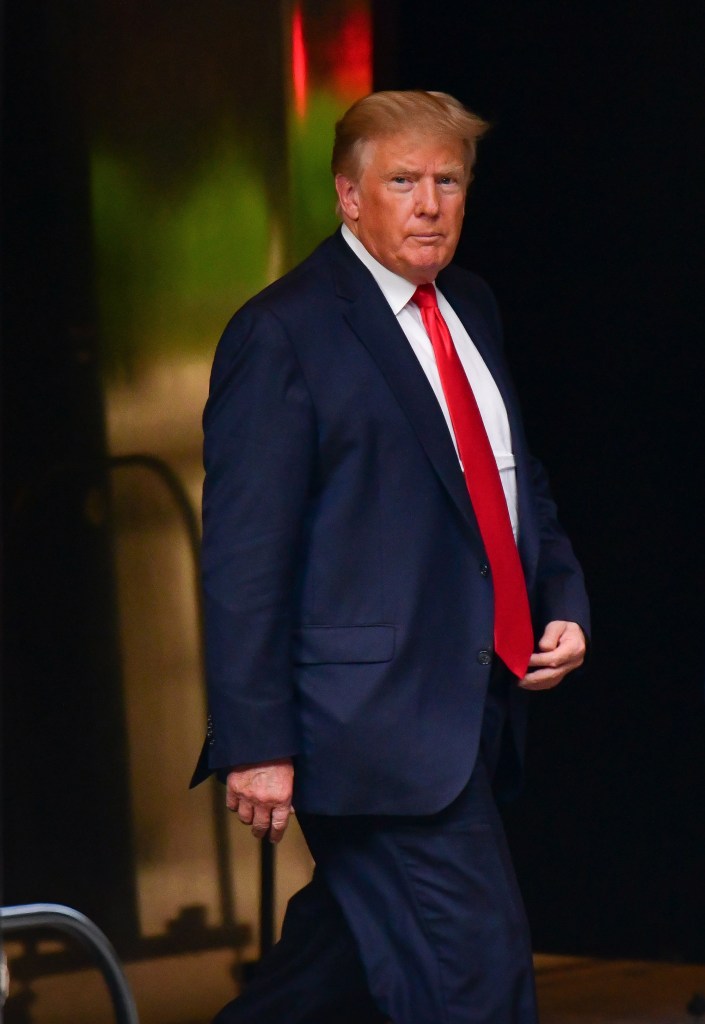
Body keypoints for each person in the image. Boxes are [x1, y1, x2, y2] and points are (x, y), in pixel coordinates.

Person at [192, 90, 590, 1024]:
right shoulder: (281, 332)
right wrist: (255, 742)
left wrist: (559, 594)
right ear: (347, 196)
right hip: (367, 731)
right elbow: (245, 556)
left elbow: (508, 473)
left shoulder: (471, 306)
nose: (428, 204)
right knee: (478, 985)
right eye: (402, 180)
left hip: (467, 709)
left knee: (327, 981)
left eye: (447, 181)